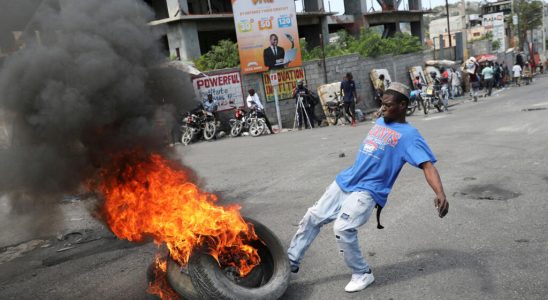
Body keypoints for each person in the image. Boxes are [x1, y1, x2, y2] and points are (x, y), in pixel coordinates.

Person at [287, 82, 449, 293]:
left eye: (388, 105)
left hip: (369, 190)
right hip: (347, 180)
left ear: (402, 105)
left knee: (343, 228)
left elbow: (427, 165)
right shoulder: (382, 120)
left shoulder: (409, 135)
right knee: (312, 217)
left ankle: (362, 273)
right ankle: (290, 261)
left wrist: (440, 193)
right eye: (382, 104)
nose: (382, 108)